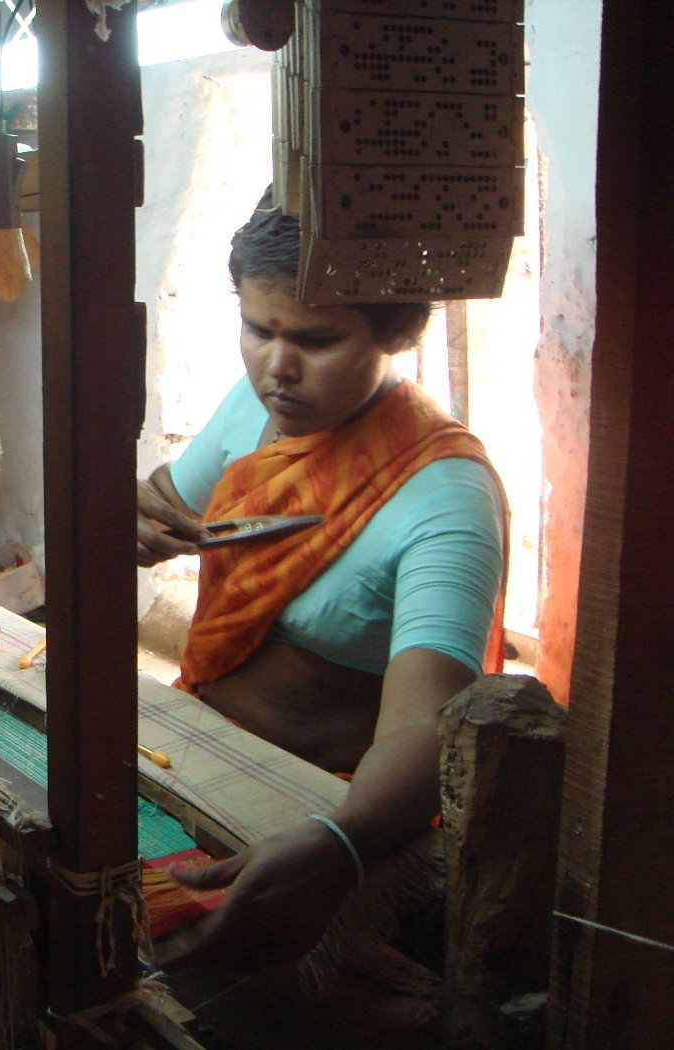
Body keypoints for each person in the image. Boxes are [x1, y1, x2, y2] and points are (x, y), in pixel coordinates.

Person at [137, 192, 507, 970]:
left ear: (398, 332)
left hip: (328, 803)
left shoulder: (444, 496)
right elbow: (167, 503)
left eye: (317, 338)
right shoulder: (258, 409)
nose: (278, 367)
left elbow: (423, 732)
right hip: (197, 743)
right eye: (257, 329)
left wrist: (339, 844)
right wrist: (126, 522)